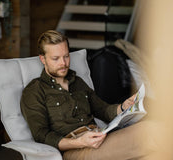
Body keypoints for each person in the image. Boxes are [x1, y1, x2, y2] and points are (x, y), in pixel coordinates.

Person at [20, 30, 156, 160]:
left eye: (66, 56)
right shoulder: (35, 91)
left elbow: (102, 110)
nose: (63, 63)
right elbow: (41, 135)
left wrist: (123, 107)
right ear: (43, 59)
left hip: (100, 136)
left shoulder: (77, 82)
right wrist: (80, 142)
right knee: (151, 134)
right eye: (56, 58)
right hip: (74, 150)